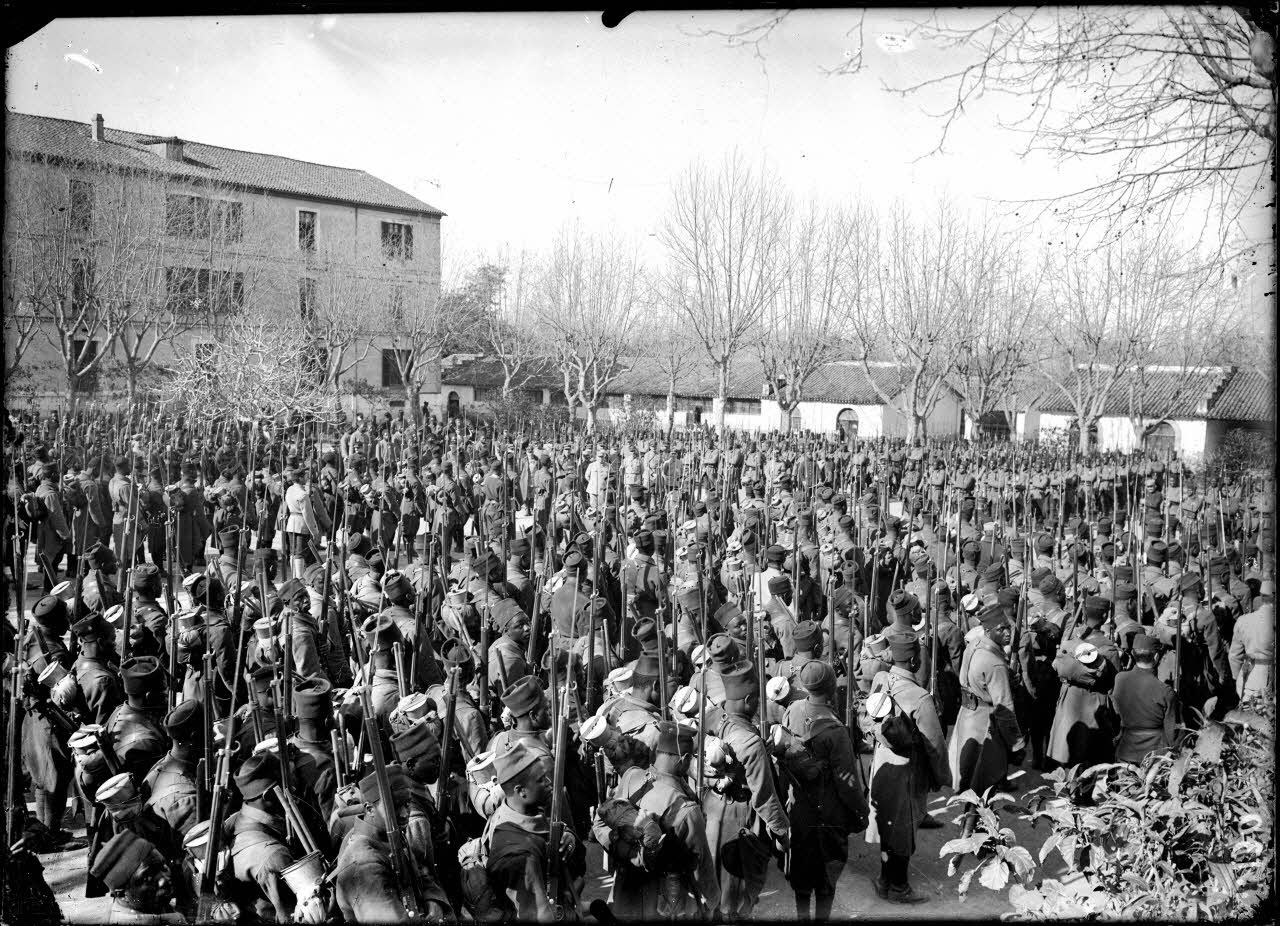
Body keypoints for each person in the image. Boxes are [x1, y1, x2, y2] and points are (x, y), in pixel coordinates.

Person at [777, 660, 868, 921]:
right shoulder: (836, 731)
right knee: (826, 880)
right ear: (830, 688)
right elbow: (848, 784)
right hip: (829, 814)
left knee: (802, 877)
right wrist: (862, 814)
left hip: (799, 809)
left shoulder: (792, 709)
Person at [866, 632, 950, 904]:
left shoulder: (881, 679)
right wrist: (941, 777)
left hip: (882, 764)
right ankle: (899, 887)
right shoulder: (920, 697)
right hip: (907, 771)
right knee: (904, 829)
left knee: (888, 824)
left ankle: (884, 879)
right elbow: (935, 745)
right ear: (914, 660)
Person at [1111, 634, 1177, 763]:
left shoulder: (1119, 679)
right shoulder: (1165, 691)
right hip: (1155, 756)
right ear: (1157, 657)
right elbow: (1172, 732)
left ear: (1133, 654)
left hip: (1125, 750)